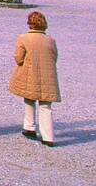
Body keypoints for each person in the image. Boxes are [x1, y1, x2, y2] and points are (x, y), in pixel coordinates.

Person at [9, 10, 61, 147]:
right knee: (45, 106)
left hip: (30, 73)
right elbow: (54, 58)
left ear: (30, 24)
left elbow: (19, 58)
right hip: (47, 76)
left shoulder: (23, 38)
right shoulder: (50, 40)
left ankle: (29, 127)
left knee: (29, 99)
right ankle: (48, 136)